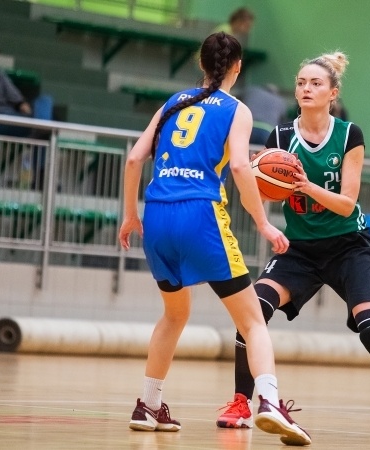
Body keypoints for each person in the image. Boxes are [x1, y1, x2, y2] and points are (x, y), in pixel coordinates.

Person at [215, 51, 370, 444]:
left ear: (332, 93)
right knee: (253, 310)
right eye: (301, 82)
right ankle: (240, 403)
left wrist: (305, 185)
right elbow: (265, 195)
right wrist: (257, 180)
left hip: (349, 247)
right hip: (299, 249)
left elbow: (347, 204)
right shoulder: (280, 138)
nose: (306, 88)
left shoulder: (349, 135)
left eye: (315, 83)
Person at [118, 32, 311, 446]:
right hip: (200, 214)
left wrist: (131, 214)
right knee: (252, 321)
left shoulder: (173, 102)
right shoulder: (236, 110)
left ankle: (148, 405)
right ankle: (269, 401)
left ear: (201, 64)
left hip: (157, 215)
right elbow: (240, 167)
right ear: (237, 67)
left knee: (174, 315)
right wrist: (263, 223)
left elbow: (134, 158)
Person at [0, 41, 33, 137]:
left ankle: (41, 127)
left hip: (11, 115)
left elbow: (17, 99)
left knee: (45, 100)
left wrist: (23, 105)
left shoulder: (0, 76)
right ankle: (37, 129)